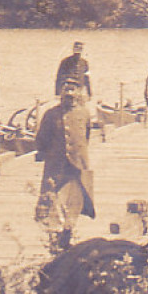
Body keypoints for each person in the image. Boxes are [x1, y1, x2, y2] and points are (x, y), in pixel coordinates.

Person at [34, 77, 95, 252]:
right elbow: (41, 140)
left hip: (77, 165)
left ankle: (67, 236)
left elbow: (86, 137)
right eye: (66, 90)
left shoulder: (84, 113)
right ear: (60, 92)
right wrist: (49, 154)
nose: (69, 93)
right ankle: (54, 238)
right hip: (56, 164)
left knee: (74, 201)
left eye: (73, 89)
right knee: (53, 200)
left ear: (78, 93)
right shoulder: (51, 114)